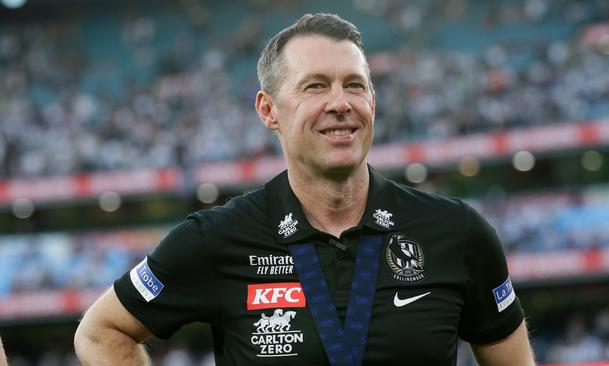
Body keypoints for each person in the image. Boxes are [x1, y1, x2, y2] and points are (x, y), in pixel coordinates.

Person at [74, 13, 535, 365]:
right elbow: (101, 331)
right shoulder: (215, 238)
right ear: (268, 109)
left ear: (372, 103)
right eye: (315, 87)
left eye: (354, 86)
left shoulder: (458, 232)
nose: (340, 103)